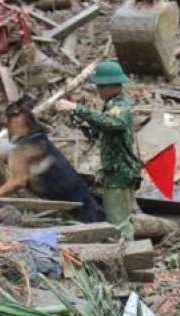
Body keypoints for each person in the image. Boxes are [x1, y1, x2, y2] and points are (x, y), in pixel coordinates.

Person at [55, 60, 141, 240]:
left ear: (113, 85)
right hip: (114, 172)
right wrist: (84, 124)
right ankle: (124, 250)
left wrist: (77, 108)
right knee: (118, 220)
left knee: (119, 223)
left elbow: (114, 123)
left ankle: (126, 253)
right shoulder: (110, 106)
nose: (99, 90)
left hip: (120, 172)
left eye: (101, 86)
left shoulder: (120, 107)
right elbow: (102, 131)